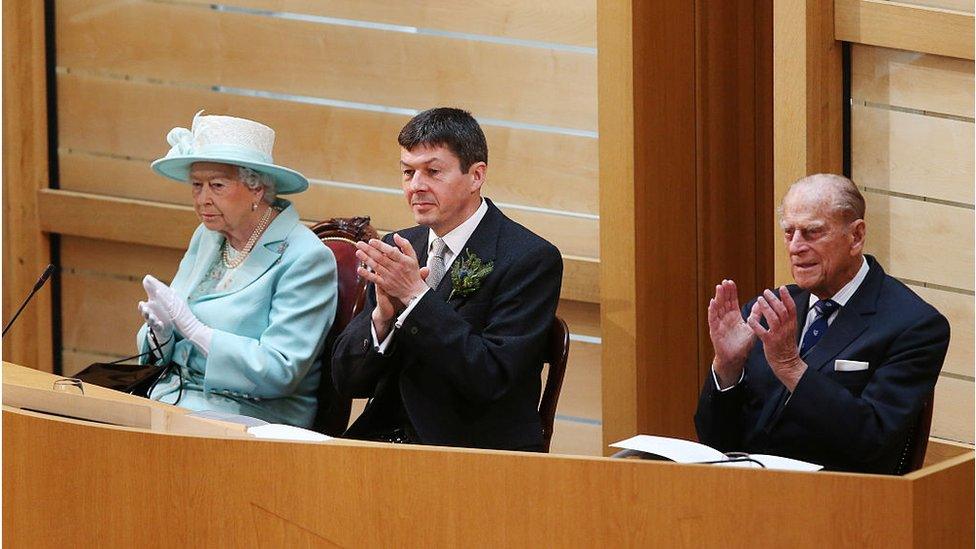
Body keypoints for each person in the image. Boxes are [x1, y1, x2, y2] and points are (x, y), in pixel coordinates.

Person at [331, 107, 563, 451]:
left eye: (433, 172)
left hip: (468, 451)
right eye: (408, 172)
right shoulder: (401, 247)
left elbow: (491, 377)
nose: (416, 186)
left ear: (476, 176)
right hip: (380, 443)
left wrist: (416, 298)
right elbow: (346, 382)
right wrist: (382, 318)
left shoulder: (529, 258)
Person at [695, 174, 950, 474]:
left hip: (839, 502)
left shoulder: (914, 326)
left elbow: (872, 440)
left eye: (812, 232)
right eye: (789, 233)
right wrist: (728, 367)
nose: (795, 247)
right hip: (746, 493)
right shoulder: (769, 311)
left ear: (855, 236)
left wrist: (792, 368)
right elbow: (715, 440)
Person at [135, 111, 338, 428]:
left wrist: (198, 332)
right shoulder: (208, 236)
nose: (203, 199)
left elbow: (280, 370)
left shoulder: (307, 257)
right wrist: (159, 334)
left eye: (216, 185)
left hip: (252, 417)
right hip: (172, 399)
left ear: (257, 189)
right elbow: (169, 333)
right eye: (196, 185)